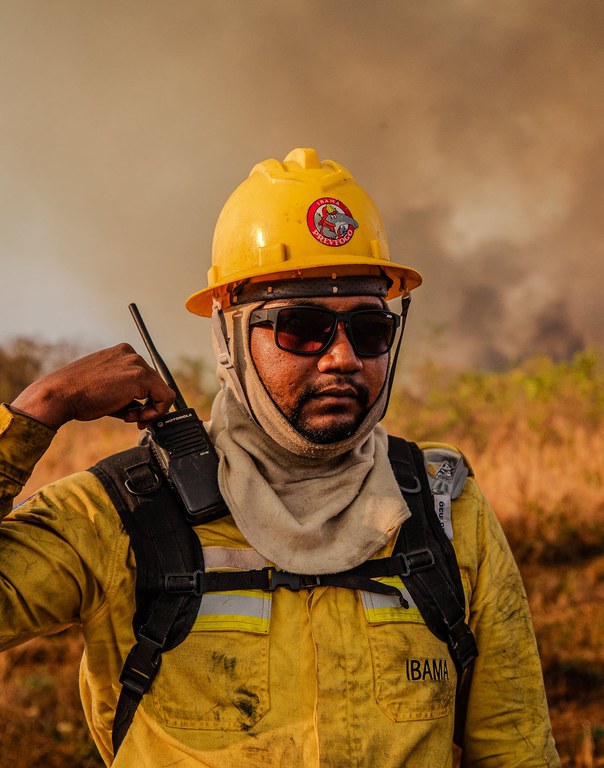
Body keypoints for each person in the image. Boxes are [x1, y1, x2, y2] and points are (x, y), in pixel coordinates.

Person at [0, 147, 560, 767]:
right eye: (301, 328)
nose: (343, 358)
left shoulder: (443, 506)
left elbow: (515, 747)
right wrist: (37, 411)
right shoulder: (120, 513)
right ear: (230, 338)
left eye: (370, 330)